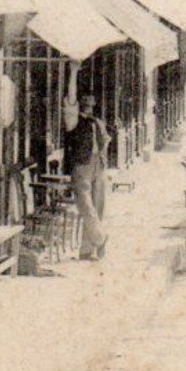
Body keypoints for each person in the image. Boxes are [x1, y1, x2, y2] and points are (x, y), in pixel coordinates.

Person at [62, 66, 110, 261]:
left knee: (98, 207)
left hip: (98, 165)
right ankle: (100, 238)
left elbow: (106, 140)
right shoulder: (73, 121)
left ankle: (86, 250)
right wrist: (73, 72)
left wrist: (103, 155)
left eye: (91, 102)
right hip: (81, 165)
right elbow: (70, 99)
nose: (89, 104)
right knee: (86, 206)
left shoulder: (97, 122)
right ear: (80, 103)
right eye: (85, 102)